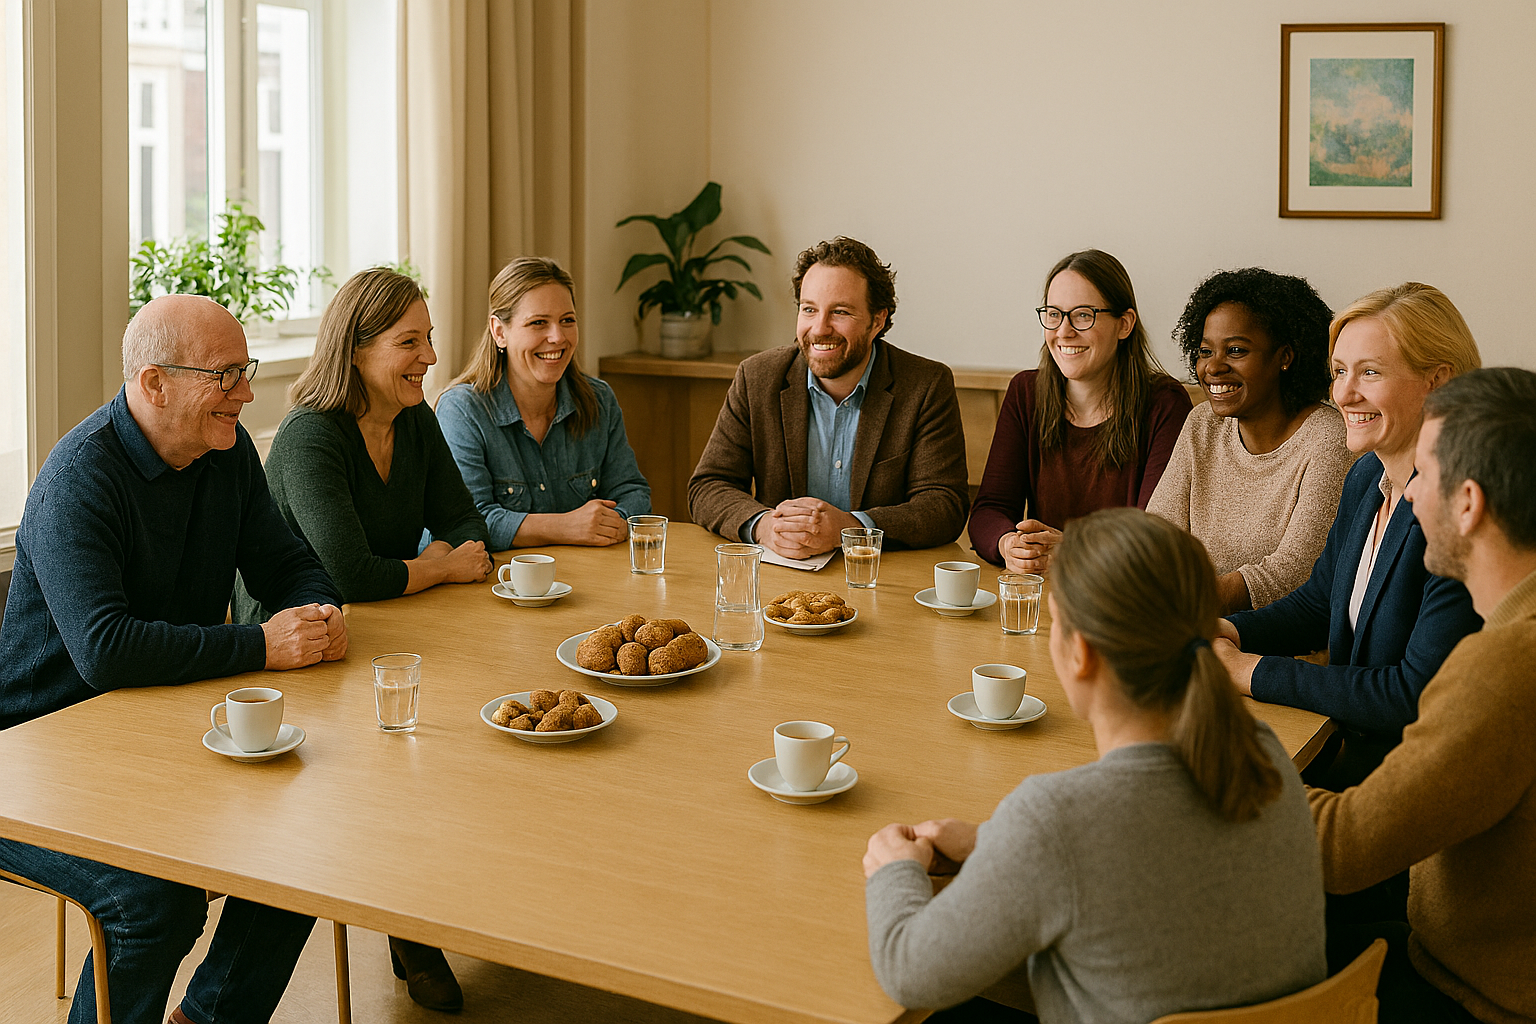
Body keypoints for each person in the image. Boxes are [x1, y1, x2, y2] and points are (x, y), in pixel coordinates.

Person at [0, 295, 347, 1024]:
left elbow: (290, 565)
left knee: (309, 846)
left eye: (245, 370)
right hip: (36, 759)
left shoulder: (226, 456)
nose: (248, 393)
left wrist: (319, 612)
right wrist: (261, 644)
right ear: (154, 384)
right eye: (227, 376)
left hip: (157, 738)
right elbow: (105, 651)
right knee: (152, 899)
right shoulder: (78, 479)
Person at [863, 509, 1325, 1024]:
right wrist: (995, 846)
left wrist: (894, 871)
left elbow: (910, 971)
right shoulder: (1262, 751)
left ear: (1079, 653)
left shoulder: (1055, 819)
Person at [233, 267, 489, 1012]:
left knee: (447, 742)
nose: (431, 358)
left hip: (380, 631)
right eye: (410, 342)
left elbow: (465, 525)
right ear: (356, 350)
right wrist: (436, 568)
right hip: (293, 646)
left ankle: (413, 909)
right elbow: (346, 572)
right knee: (401, 755)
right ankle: (409, 922)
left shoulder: (416, 418)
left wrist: (428, 567)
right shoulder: (315, 433)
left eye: (430, 339)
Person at [1313, 368, 1536, 1024]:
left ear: (1468, 503)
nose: (1409, 498)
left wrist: (1204, 752)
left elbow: (1342, 850)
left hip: (1471, 996)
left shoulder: (1504, 664)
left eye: (1425, 476)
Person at [1214, 283, 1483, 788]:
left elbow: (1410, 694)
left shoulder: (1462, 511)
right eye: (1339, 371)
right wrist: (1231, 631)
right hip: (1342, 752)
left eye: (1370, 372)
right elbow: (1319, 606)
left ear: (1438, 382)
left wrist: (1247, 671)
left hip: (1407, 783)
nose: (1342, 394)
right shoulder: (1365, 477)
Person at [687, 236, 968, 558]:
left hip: (876, 573)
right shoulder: (757, 377)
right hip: (780, 569)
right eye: (809, 309)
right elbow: (708, 485)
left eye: (840, 312)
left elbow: (944, 505)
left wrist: (849, 529)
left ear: (876, 320)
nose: (819, 328)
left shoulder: (925, 384)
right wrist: (764, 526)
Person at [968, 250, 1191, 574]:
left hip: (1123, 601)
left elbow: (1152, 536)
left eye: (1083, 315)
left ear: (1124, 324)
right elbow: (990, 510)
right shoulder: (1025, 392)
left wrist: (1074, 549)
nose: (1064, 331)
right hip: (1041, 590)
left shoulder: (1165, 404)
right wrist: (1010, 545)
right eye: (1054, 314)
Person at [1149, 268, 1356, 614]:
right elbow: (1155, 536)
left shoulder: (1329, 438)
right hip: (1185, 625)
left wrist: (1179, 601)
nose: (1213, 367)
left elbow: (1293, 574)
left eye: (1235, 350)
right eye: (1204, 351)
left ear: (1285, 357)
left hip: (1278, 648)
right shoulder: (1202, 424)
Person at [436, 256, 650, 551]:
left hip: (586, 578)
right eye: (538, 323)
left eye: (567, 321)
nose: (558, 337)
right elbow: (469, 522)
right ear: (500, 332)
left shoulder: (599, 399)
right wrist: (568, 527)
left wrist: (610, 524)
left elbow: (633, 493)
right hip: (493, 584)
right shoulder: (462, 410)